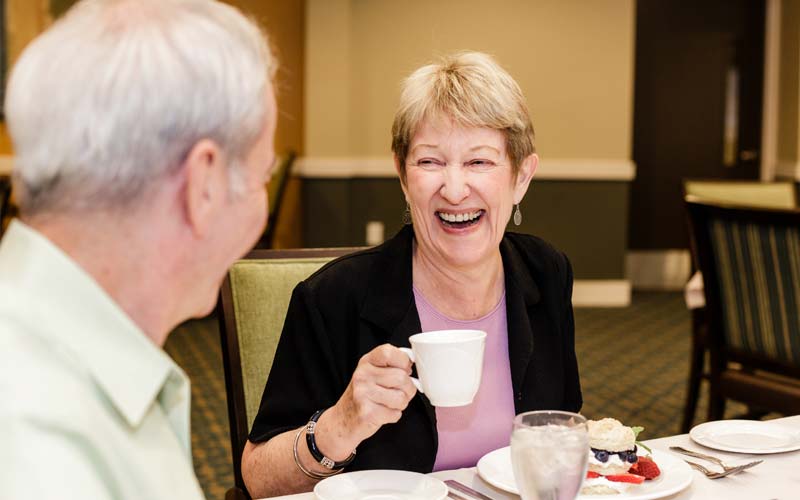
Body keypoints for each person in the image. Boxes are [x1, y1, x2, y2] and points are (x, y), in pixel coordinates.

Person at [241, 51, 582, 497]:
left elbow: (564, 429)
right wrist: (339, 426)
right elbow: (257, 480)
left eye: (479, 162)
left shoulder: (546, 272)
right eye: (430, 162)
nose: (455, 189)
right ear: (403, 176)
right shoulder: (335, 297)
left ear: (521, 177)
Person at [0, 0, 277, 498]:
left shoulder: (85, 360)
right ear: (205, 185)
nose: (261, 203)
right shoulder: (39, 443)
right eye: (263, 176)